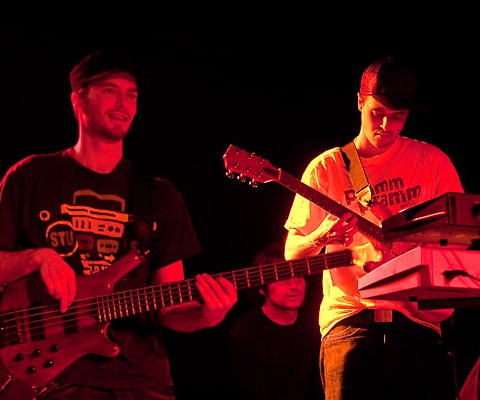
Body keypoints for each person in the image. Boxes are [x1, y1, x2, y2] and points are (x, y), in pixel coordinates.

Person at [0, 49, 237, 400]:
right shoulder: (30, 177)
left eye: (131, 94)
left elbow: (170, 309)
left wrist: (209, 315)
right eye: (110, 90)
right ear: (78, 100)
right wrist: (38, 257)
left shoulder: (158, 195)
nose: (123, 103)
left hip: (142, 380)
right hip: (52, 374)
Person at [283, 56, 465, 400]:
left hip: (419, 321)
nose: (386, 126)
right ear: (359, 102)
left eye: (398, 117)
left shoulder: (432, 161)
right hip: (350, 321)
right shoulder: (329, 168)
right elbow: (291, 252)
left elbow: (461, 244)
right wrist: (321, 237)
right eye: (377, 113)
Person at [224, 241, 324, 400]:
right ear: (261, 287)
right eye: (283, 277)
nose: (293, 285)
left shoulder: (316, 324)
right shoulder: (244, 333)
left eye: (298, 275)